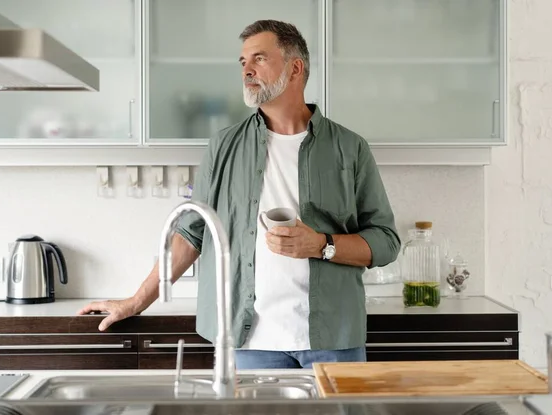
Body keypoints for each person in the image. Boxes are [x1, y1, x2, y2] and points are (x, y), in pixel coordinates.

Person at [78, 20, 400, 369]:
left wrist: (322, 245)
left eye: (259, 59)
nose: (247, 69)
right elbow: (190, 234)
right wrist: (135, 302)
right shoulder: (223, 147)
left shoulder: (349, 148)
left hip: (334, 339)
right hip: (250, 342)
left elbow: (385, 241)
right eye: (243, 62)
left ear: (295, 68)